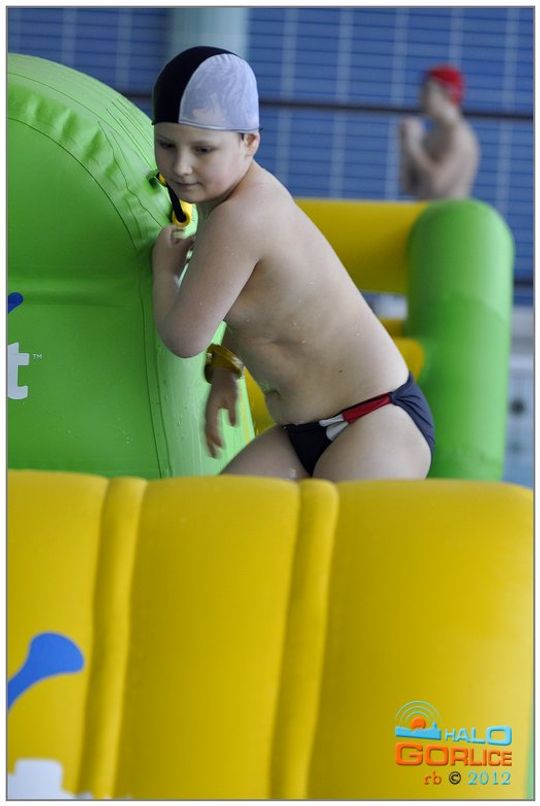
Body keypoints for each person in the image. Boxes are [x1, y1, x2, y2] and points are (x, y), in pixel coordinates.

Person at [151, 46, 435, 482]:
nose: (181, 167)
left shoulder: (240, 216)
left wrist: (164, 272)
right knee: (215, 516)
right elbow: (260, 299)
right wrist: (226, 364)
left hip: (374, 422)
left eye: (203, 150)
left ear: (249, 142)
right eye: (166, 145)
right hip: (302, 431)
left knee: (339, 530)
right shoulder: (227, 200)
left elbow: (184, 338)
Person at [399, 65, 480, 199]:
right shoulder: (433, 133)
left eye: (427, 90)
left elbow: (435, 187)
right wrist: (406, 144)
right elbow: (408, 186)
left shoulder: (459, 135)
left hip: (451, 212)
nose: (421, 98)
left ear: (448, 93)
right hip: (429, 210)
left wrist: (413, 146)